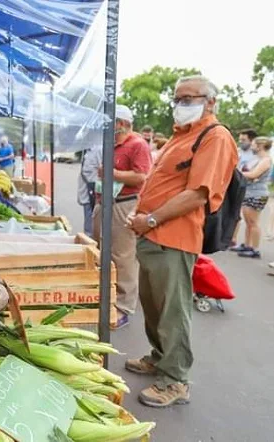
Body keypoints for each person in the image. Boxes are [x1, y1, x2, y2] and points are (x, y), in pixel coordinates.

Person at [126, 75, 237, 407]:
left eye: (189, 98)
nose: (181, 104)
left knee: (172, 310)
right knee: (153, 305)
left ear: (210, 101)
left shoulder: (214, 137)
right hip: (149, 234)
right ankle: (160, 358)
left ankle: (176, 380)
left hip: (172, 237)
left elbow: (198, 194)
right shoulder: (179, 137)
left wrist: (152, 218)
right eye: (177, 99)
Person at [93, 104, 152, 328]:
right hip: (104, 201)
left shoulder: (137, 145)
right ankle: (106, 296)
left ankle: (123, 306)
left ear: (122, 123)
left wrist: (112, 173)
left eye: (111, 122)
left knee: (122, 255)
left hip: (123, 204)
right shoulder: (113, 144)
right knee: (101, 250)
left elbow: (141, 176)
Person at [230, 137, 272, 258]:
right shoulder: (257, 159)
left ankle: (255, 248)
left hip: (257, 193)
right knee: (249, 222)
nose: (251, 147)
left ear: (260, 146)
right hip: (249, 192)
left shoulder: (266, 160)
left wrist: (235, 173)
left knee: (253, 222)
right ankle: (247, 245)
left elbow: (254, 174)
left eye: (253, 145)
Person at [230, 129, 259, 246]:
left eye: (244, 140)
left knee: (251, 220)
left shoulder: (257, 155)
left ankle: (251, 245)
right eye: (240, 140)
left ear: (251, 140)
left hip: (251, 188)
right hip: (237, 185)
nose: (241, 142)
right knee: (235, 214)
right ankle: (232, 239)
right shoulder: (238, 151)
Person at [77, 145, 101, 235]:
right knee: (88, 226)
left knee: (90, 230)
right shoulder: (87, 150)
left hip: (92, 194)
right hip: (86, 193)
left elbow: (104, 169)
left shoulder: (99, 149)